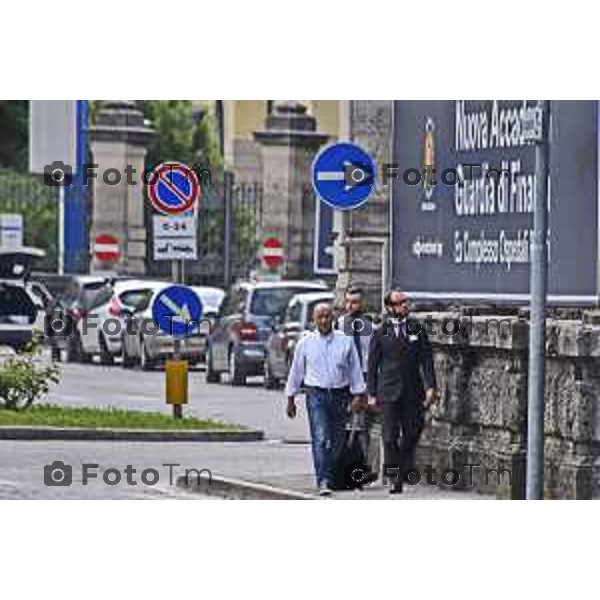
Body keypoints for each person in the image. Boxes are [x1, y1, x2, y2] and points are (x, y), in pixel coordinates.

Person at [285, 303, 366, 496]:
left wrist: (358, 395)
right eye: (320, 317)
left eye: (327, 316)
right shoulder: (306, 343)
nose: (324, 320)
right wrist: (290, 398)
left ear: (333, 319)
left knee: (337, 440)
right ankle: (323, 480)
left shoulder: (345, 341)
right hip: (316, 394)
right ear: (314, 320)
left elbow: (355, 369)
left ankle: (332, 475)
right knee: (321, 437)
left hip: (340, 394)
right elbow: (296, 371)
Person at [367, 290, 438, 494]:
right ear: (390, 307)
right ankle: (395, 478)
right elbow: (372, 365)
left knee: (412, 432)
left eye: (405, 302)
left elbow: (426, 359)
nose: (404, 306)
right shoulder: (381, 332)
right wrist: (371, 393)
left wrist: (431, 386)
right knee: (389, 437)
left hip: (412, 390)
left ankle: (404, 464)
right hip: (388, 391)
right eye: (399, 303)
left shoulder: (417, 328)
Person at [337, 286, 380, 484]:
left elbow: (375, 357)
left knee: (365, 426)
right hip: (344, 379)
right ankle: (345, 465)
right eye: (348, 301)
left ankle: (367, 468)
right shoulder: (338, 324)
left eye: (354, 302)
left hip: (365, 377)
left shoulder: (371, 326)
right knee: (345, 426)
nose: (350, 306)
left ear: (362, 303)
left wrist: (371, 386)